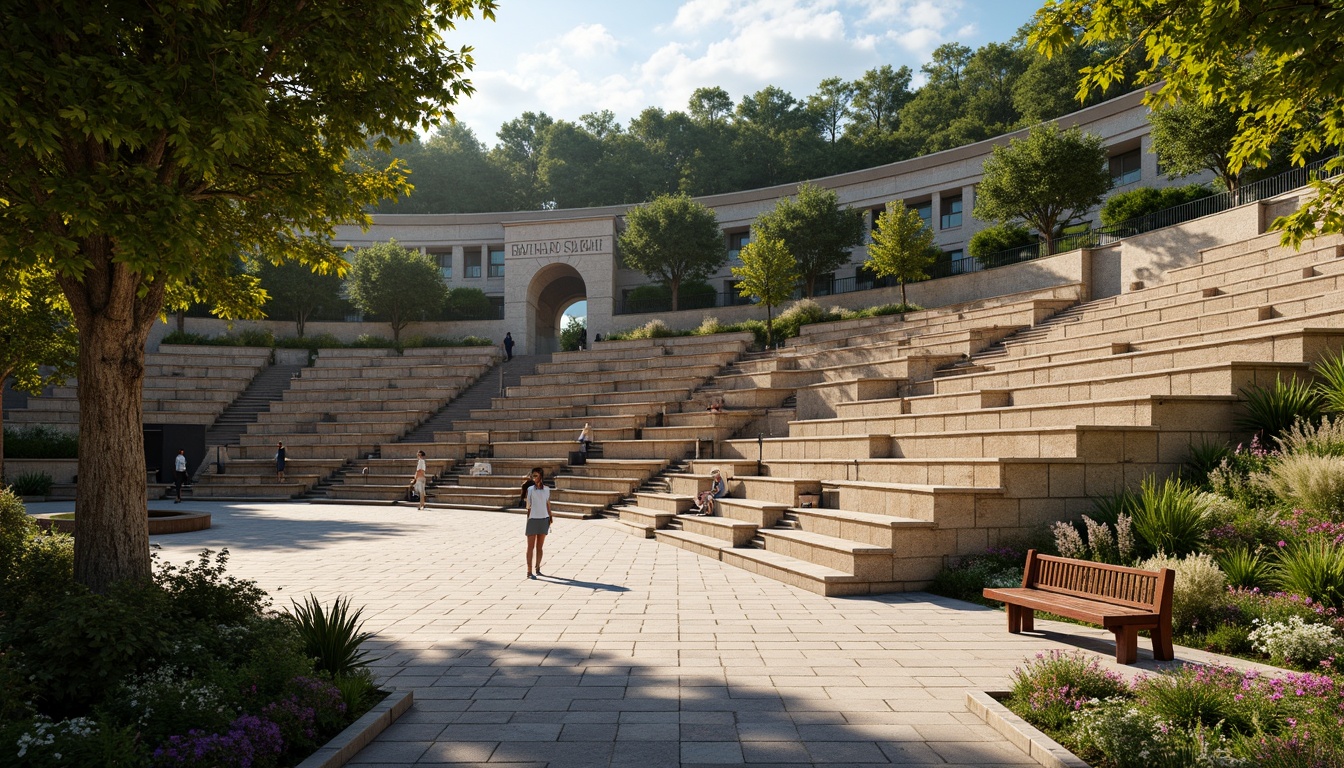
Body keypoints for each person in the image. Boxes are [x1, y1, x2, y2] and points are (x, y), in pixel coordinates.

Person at [525, 467, 552, 579]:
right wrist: (528, 519)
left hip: (544, 518)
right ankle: (529, 570)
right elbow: (528, 506)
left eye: (536, 476)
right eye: (533, 476)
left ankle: (538, 567)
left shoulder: (547, 489)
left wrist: (550, 516)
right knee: (530, 546)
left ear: (541, 476)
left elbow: (547, 503)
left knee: (539, 546)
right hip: (533, 519)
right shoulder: (530, 489)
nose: (534, 478)